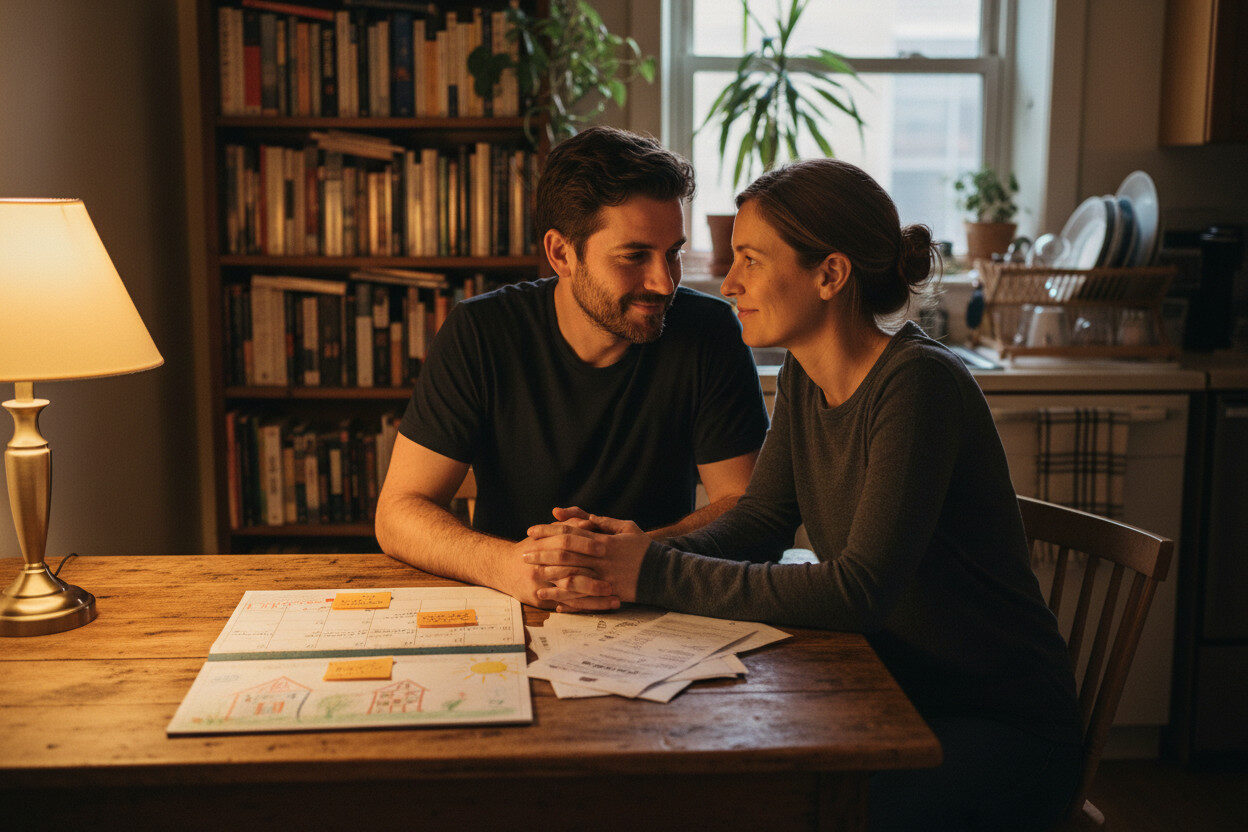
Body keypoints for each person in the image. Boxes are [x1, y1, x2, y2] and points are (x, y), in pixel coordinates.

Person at [519, 158, 1083, 831]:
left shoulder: (920, 386)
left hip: (995, 727)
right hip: (895, 694)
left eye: (751, 260)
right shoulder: (805, 378)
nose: (727, 283)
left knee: (775, 808)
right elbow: (760, 521)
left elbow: (858, 591)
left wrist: (650, 569)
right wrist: (638, 550)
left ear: (830, 274)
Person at [376, 126, 769, 611]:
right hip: (512, 605)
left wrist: (637, 556)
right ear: (562, 253)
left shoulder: (708, 332)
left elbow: (746, 508)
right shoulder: (481, 331)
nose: (664, 282)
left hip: (661, 606)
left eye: (674, 253)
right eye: (634, 256)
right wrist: (508, 565)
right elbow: (399, 511)